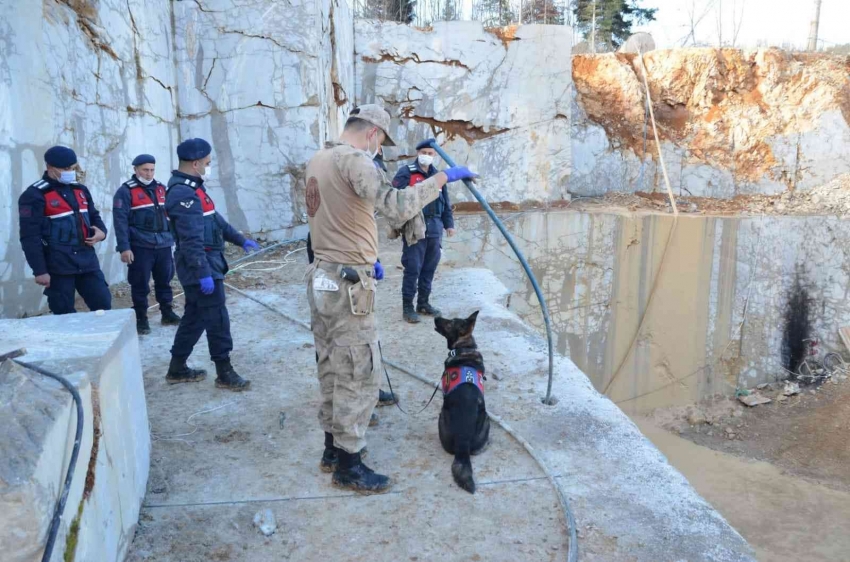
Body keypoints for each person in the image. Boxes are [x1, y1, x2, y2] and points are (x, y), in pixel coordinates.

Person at [305, 104, 477, 493]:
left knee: (332, 364)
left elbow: (327, 216)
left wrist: (359, 253)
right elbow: (397, 206)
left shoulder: (319, 158)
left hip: (322, 274)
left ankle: (332, 449)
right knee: (357, 371)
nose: (379, 147)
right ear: (372, 134)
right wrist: (442, 179)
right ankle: (349, 464)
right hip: (348, 284)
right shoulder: (357, 162)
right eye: (381, 140)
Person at [164, 138, 260, 391]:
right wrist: (203, 274)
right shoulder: (182, 193)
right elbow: (190, 240)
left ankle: (177, 367)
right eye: (207, 163)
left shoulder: (194, 187)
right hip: (199, 265)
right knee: (217, 318)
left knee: (195, 317)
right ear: (195, 163)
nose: (209, 166)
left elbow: (215, 220)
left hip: (207, 262)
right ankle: (224, 372)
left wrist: (240, 240)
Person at [18, 145, 112, 315]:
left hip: (87, 260)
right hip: (58, 265)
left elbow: (93, 216)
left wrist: (102, 233)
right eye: (65, 168)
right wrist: (40, 271)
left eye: (72, 168)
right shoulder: (34, 195)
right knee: (63, 313)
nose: (70, 171)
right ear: (49, 167)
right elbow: (29, 237)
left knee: (103, 304)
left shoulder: (80, 190)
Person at [113, 154, 181, 335]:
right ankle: (141, 318)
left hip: (164, 244)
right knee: (140, 284)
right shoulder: (125, 191)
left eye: (152, 170)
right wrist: (124, 247)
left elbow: (171, 216)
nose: (149, 173)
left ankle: (167, 312)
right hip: (140, 245)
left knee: (164, 280)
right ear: (135, 170)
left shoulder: (161, 189)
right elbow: (120, 222)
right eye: (145, 170)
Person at [392, 138, 455, 323]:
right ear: (417, 153)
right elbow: (396, 200)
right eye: (423, 153)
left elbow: (446, 203)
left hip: (435, 229)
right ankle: (408, 307)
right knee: (413, 268)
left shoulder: (439, 176)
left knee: (429, 268)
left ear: (434, 155)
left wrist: (449, 224)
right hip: (415, 228)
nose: (426, 156)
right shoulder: (406, 173)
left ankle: (423, 303)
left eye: (430, 153)